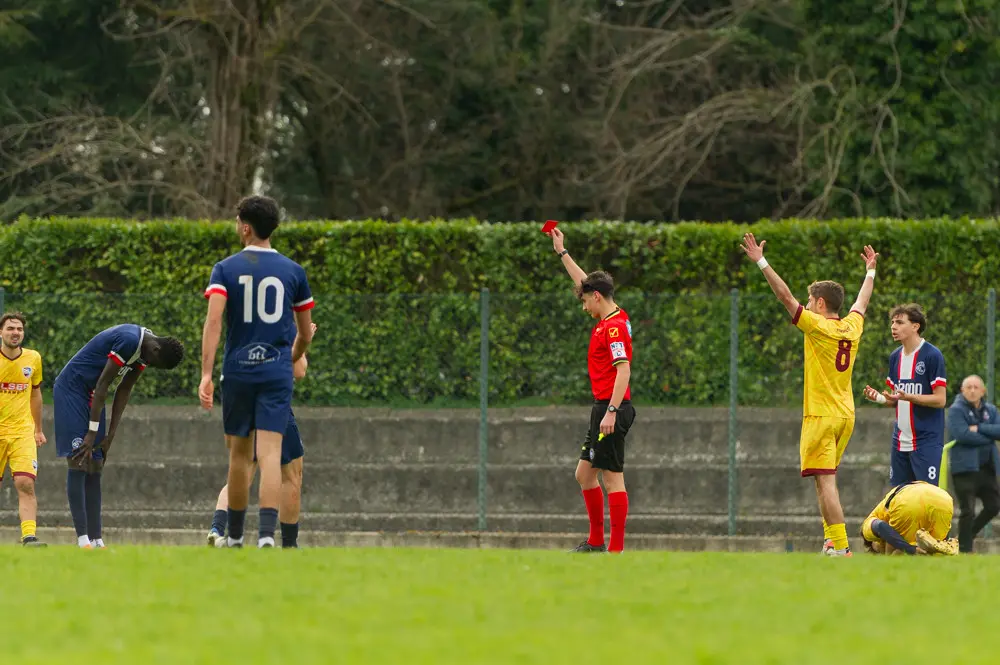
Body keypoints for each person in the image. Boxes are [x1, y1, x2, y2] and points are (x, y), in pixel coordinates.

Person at [741, 233, 877, 557]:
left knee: (826, 483)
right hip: (846, 415)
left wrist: (761, 261)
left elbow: (784, 296)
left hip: (821, 416)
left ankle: (843, 548)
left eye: (810, 298)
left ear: (819, 304)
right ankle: (831, 540)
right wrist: (870, 272)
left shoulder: (818, 327)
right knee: (823, 479)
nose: (807, 302)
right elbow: (862, 303)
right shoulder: (851, 327)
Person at [200, 195, 314, 549]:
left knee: (238, 454)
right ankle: (266, 537)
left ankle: (234, 536)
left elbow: (214, 320)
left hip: (238, 369)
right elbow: (305, 331)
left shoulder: (226, 268)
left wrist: (206, 373)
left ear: (245, 227)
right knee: (269, 454)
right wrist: (292, 354)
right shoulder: (293, 271)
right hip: (276, 371)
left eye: (237, 221)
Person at [55, 324, 184, 548]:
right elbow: (103, 383)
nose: (149, 366)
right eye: (155, 364)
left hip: (94, 395)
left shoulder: (146, 351)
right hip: (72, 390)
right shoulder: (129, 341)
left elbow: (123, 390)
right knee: (79, 459)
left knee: (96, 464)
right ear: (154, 350)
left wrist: (110, 436)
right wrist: (91, 434)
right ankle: (83, 540)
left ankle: (97, 540)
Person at [548, 227, 636, 554]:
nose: (583, 305)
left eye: (585, 300)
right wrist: (562, 252)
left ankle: (614, 549)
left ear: (596, 297)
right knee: (584, 474)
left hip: (612, 408)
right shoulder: (609, 316)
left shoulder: (613, 328)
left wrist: (611, 412)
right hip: (603, 408)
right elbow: (586, 281)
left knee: (613, 478)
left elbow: (623, 370)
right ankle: (597, 541)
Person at [208, 329, 314, 550]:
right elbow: (299, 370)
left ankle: (217, 529)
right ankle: (287, 543)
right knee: (290, 473)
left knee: (242, 471)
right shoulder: (280, 321)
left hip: (240, 398)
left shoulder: (242, 316)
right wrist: (302, 343)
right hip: (272, 404)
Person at [863, 304, 947, 486]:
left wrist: (908, 397)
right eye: (893, 322)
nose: (893, 326)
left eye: (900, 322)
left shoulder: (932, 355)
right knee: (899, 498)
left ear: (915, 326)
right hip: (900, 441)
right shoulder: (895, 357)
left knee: (926, 499)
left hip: (926, 440)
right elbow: (895, 400)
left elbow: (940, 400)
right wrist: (878, 397)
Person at [0, 312, 47, 546]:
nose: (15, 332)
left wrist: (38, 429)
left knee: (25, 483)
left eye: (19, 329)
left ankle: (29, 537)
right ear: (1, 332)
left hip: (22, 432)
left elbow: (36, 393)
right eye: (10, 328)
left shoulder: (33, 358)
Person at [946, 375, 1000, 553]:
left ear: (982, 391)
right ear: (962, 391)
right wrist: (988, 436)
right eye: (968, 387)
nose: (972, 390)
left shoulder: (990, 410)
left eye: (976, 387)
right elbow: (962, 435)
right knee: (967, 510)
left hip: (987, 467)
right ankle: (964, 549)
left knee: (994, 505)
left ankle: (964, 537)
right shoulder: (955, 410)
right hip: (964, 468)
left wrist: (979, 428)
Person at [860, 481, 957, 555]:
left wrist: (910, 549)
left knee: (896, 551)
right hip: (944, 500)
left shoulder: (869, 523)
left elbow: (881, 527)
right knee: (934, 551)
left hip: (909, 502)